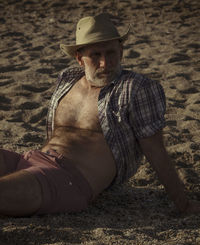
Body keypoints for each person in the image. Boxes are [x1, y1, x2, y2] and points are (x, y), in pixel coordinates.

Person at [0, 13, 199, 217]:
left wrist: (183, 204)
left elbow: (156, 150)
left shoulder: (136, 89)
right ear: (79, 58)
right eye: (95, 55)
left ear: (121, 51)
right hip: (30, 159)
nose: (105, 63)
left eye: (111, 53)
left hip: (65, 179)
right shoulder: (68, 79)